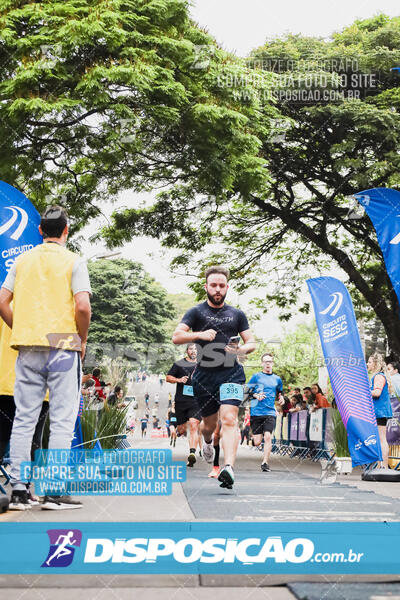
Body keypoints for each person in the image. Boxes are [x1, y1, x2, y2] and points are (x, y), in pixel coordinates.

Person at [0, 205, 91, 510]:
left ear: (40, 231)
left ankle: (19, 491)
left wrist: (22, 328)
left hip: (28, 345)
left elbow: (2, 301)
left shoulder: (22, 261)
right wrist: (82, 340)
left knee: (24, 418)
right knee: (63, 420)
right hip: (64, 343)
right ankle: (53, 492)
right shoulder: (74, 261)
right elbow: (82, 307)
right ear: (67, 231)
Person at [172, 265, 256, 488]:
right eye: (213, 285)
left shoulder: (237, 314)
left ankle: (228, 467)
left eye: (221, 285)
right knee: (208, 427)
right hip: (204, 378)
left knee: (229, 419)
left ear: (227, 287)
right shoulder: (196, 312)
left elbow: (252, 342)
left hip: (231, 374)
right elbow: (177, 336)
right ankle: (207, 442)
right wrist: (200, 334)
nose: (218, 289)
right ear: (206, 287)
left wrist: (241, 351)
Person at [166, 343, 201, 467]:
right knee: (181, 429)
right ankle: (179, 429)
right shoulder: (179, 364)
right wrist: (179, 380)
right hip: (181, 401)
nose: (193, 351)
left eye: (196, 349)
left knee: (193, 424)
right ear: (187, 351)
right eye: (191, 349)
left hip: (196, 401)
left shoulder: (203, 364)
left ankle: (192, 453)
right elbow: (168, 377)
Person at [247, 353, 283, 472]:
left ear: (272, 363)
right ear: (262, 363)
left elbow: (280, 392)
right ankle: (253, 440)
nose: (268, 363)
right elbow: (246, 391)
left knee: (268, 437)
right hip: (256, 412)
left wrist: (281, 398)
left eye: (270, 361)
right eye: (266, 361)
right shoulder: (256, 377)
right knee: (257, 442)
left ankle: (265, 463)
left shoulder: (277, 379)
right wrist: (256, 395)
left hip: (270, 412)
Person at [367, 353, 392, 469]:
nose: (367, 364)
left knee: (382, 439)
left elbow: (377, 393)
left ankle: (384, 467)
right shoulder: (377, 376)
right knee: (379, 439)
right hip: (378, 411)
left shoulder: (378, 376)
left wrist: (363, 392)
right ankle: (379, 466)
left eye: (370, 362)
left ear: (376, 363)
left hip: (380, 411)